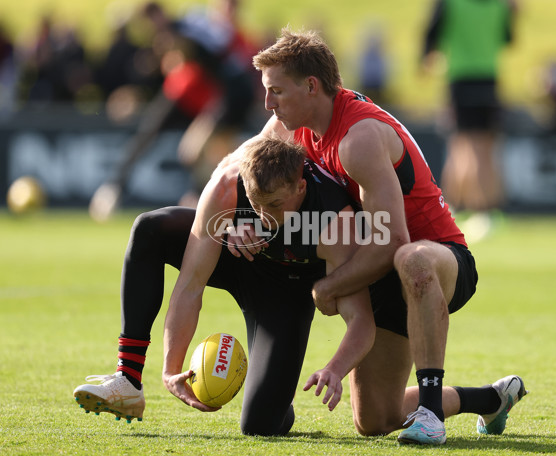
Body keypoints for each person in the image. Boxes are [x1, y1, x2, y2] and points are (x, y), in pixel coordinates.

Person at [242, 27, 526, 444]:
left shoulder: (358, 138)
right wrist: (240, 220)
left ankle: (431, 413)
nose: (268, 103)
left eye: (276, 92)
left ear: (311, 86)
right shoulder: (293, 124)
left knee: (411, 259)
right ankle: (489, 398)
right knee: (375, 420)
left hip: (439, 257)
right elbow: (243, 166)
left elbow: (392, 240)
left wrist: (329, 285)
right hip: (381, 271)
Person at [75, 136, 376, 434]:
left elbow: (362, 319)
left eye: (275, 204)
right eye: (255, 204)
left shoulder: (334, 221)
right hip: (236, 260)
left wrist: (335, 369)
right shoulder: (227, 185)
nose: (264, 216)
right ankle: (127, 378)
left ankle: (275, 390)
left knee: (261, 425)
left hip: (286, 288)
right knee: (150, 229)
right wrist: (170, 370)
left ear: (301, 187)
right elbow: (191, 285)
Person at [88, 0, 260, 221]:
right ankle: (117, 187)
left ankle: (206, 199)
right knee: (170, 143)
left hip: (216, 101)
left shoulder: (210, 36)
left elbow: (226, 74)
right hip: (192, 96)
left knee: (199, 152)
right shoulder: (198, 28)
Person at [421, 0, 518, 241]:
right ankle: (457, 207)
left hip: (460, 79)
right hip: (489, 78)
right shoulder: (500, 5)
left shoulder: (450, 4)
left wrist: (426, 59)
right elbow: (508, 39)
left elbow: (431, 36)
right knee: (477, 147)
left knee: (467, 146)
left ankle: (481, 210)